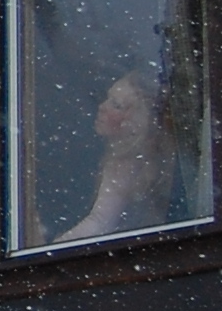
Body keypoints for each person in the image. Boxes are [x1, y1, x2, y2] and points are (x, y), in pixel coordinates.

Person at [52, 66, 180, 245]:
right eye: (107, 98)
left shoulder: (128, 163)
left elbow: (100, 222)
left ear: (137, 121)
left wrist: (53, 249)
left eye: (116, 105)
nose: (102, 106)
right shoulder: (135, 156)